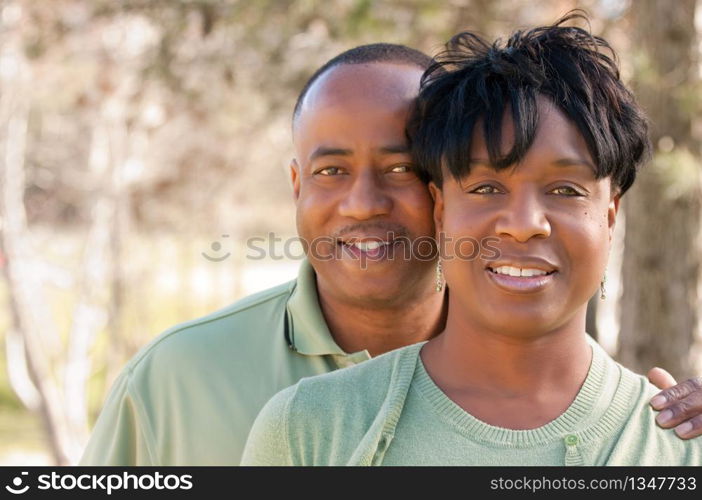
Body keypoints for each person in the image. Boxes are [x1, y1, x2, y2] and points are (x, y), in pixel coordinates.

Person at [82, 42, 702, 466]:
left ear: (436, 193)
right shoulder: (186, 381)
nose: (361, 204)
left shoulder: (641, 425)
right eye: (331, 170)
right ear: (296, 185)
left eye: (401, 167)